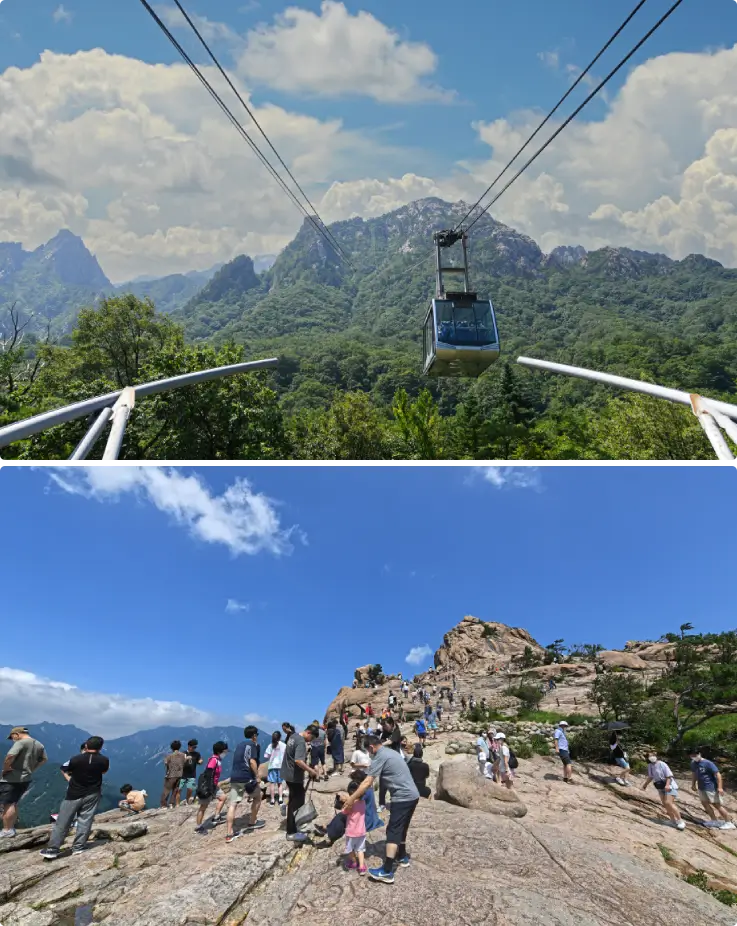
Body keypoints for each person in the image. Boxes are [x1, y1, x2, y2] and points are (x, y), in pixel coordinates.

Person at [343, 735, 420, 885]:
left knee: (392, 831)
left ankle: (387, 871)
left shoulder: (380, 756)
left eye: (368, 751)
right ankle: (402, 856)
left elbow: (367, 782)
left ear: (371, 748)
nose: (369, 754)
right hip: (413, 795)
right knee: (402, 828)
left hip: (402, 797)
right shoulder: (391, 752)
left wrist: (351, 799)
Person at [40, 736, 108, 859]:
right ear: (101, 747)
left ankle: (53, 849)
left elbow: (67, 769)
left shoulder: (76, 759)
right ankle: (78, 847)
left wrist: (70, 779)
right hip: (93, 793)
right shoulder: (104, 760)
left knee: (63, 821)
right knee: (85, 820)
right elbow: (104, 772)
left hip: (73, 794)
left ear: (86, 746)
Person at [0, 726, 47, 838]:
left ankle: (6, 830)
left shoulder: (21, 743)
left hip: (12, 778)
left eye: (12, 737)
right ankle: (11, 828)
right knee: (14, 802)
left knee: (7, 803)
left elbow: (10, 755)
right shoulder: (39, 744)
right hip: (25, 778)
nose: (13, 740)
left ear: (17, 734)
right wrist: (33, 769)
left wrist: (6, 768)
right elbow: (44, 759)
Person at [226, 725, 264, 843]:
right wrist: (257, 776)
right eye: (256, 735)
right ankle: (252, 822)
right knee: (258, 797)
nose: (257, 737)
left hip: (235, 777)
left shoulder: (239, 745)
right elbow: (252, 761)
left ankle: (229, 833)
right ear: (254, 736)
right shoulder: (252, 745)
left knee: (233, 804)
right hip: (246, 777)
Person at [281, 723, 318, 842]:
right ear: (308, 733)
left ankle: (295, 825)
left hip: (287, 773)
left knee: (293, 800)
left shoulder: (293, 736)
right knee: (296, 803)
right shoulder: (301, 742)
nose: (310, 741)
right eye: (311, 738)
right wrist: (311, 770)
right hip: (294, 776)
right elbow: (298, 761)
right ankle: (291, 832)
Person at [689, 747, 735, 829]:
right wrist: (693, 784)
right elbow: (694, 774)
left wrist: (720, 787)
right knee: (705, 803)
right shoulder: (693, 763)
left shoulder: (708, 763)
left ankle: (728, 822)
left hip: (710, 787)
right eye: (692, 755)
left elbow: (718, 775)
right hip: (701, 787)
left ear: (699, 754)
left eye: (695, 755)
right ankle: (714, 820)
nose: (694, 756)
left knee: (717, 805)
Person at [642, 752, 685, 830]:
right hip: (660, 787)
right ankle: (672, 820)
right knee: (665, 804)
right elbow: (651, 776)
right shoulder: (650, 766)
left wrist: (667, 785)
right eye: (650, 756)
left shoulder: (662, 764)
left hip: (669, 786)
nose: (652, 757)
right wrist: (645, 785)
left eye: (653, 756)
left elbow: (669, 775)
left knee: (669, 803)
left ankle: (680, 821)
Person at [195, 741, 229, 831]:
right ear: (219, 752)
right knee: (203, 807)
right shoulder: (214, 760)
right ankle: (198, 827)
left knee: (223, 797)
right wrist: (209, 788)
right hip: (208, 786)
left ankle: (217, 817)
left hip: (214, 786)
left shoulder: (218, 760)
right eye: (224, 751)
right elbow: (208, 772)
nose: (225, 753)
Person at [342, 779, 367, 875]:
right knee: (360, 849)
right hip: (361, 831)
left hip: (351, 832)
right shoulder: (363, 802)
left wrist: (345, 802)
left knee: (351, 849)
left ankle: (354, 862)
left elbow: (344, 812)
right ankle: (361, 867)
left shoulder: (350, 804)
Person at [161, 740, 186, 809]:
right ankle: (171, 804)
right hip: (180, 775)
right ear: (179, 747)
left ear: (172, 748)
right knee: (175, 790)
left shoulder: (169, 756)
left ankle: (164, 805)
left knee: (166, 790)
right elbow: (185, 762)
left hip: (170, 775)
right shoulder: (183, 755)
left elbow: (166, 763)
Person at [264, 730, 286, 807]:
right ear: (280, 737)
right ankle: (280, 799)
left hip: (272, 766)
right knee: (280, 784)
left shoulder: (270, 745)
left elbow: (266, 756)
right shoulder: (283, 745)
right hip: (281, 766)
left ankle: (272, 800)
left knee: (272, 784)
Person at [180, 739, 202, 805]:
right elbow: (179, 763)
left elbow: (199, 760)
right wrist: (185, 759)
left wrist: (200, 761)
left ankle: (187, 801)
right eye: (193, 747)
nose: (194, 748)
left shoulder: (197, 754)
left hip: (192, 774)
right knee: (178, 789)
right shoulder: (183, 753)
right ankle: (177, 803)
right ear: (189, 746)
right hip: (182, 774)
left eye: (195, 747)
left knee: (190, 789)